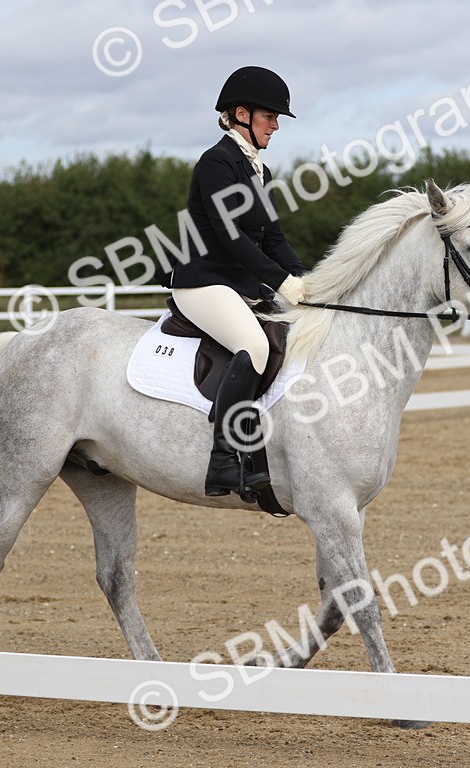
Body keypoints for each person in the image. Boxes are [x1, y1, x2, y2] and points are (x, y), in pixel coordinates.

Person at [163, 66, 308, 499]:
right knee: (256, 346)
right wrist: (281, 282)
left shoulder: (259, 171)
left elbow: (275, 239)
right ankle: (224, 459)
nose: (276, 126)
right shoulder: (217, 163)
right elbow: (231, 236)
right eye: (270, 117)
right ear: (240, 114)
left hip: (239, 284)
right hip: (202, 282)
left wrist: (307, 280)